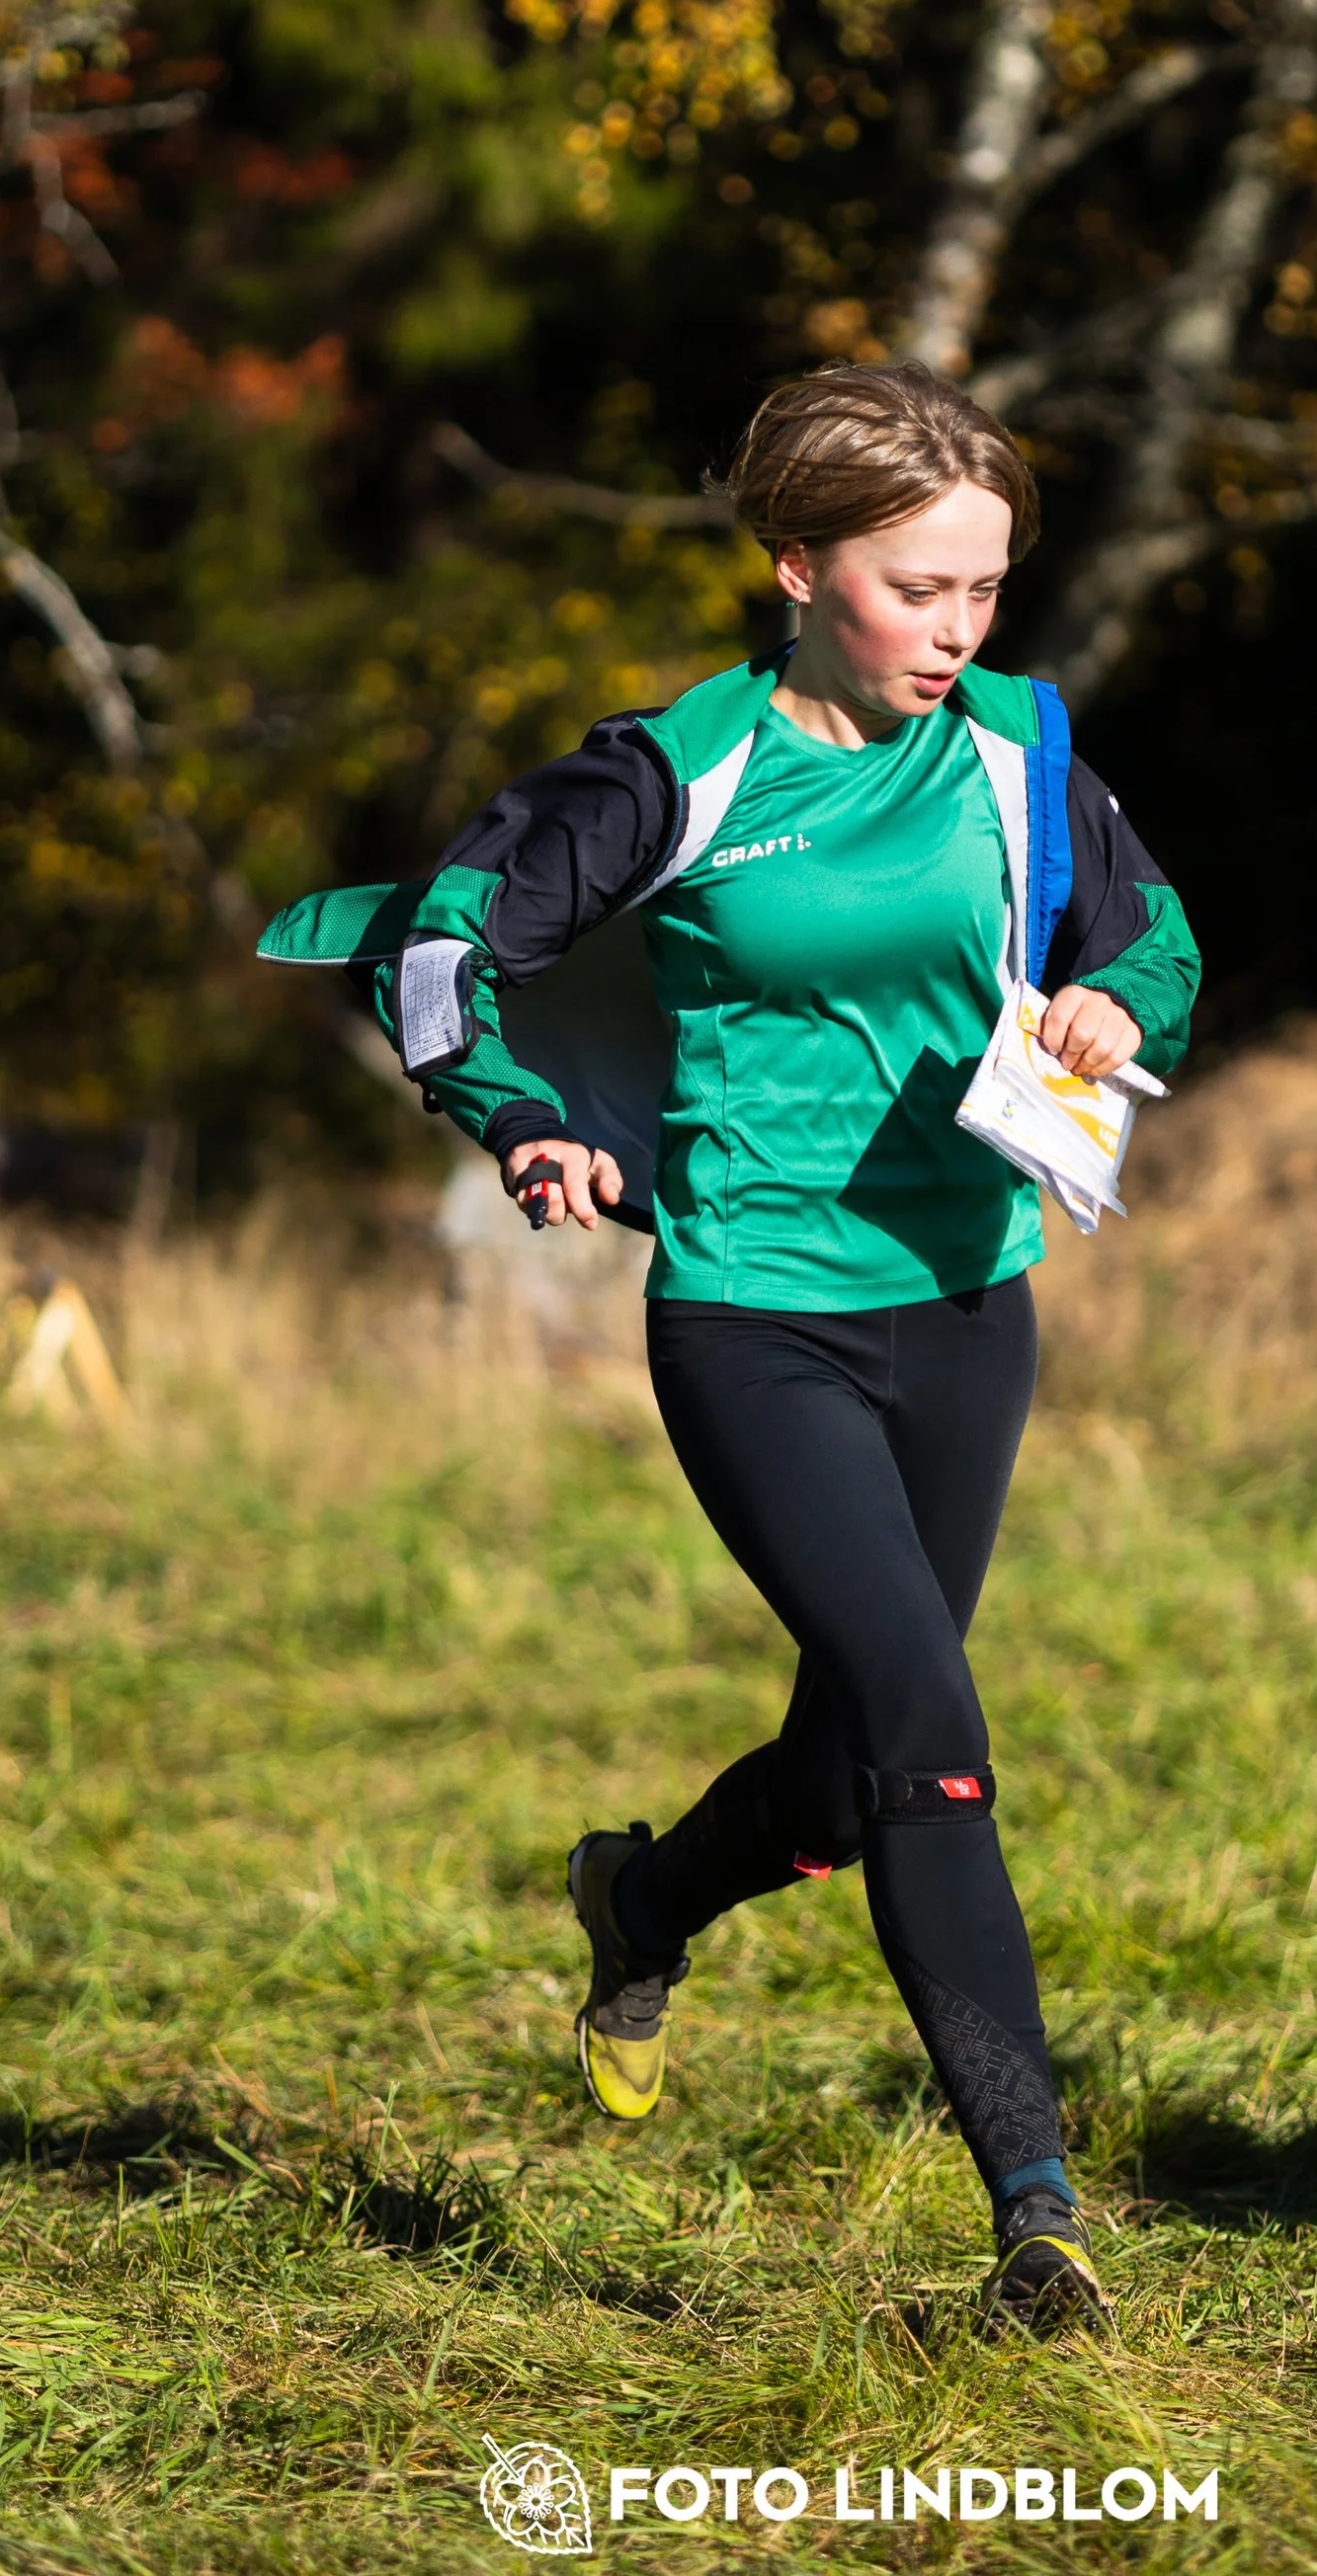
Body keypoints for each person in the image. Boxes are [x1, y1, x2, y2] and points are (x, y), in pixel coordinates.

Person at [258, 362, 1199, 2330]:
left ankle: (644, 1895)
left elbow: (1151, 927)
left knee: (851, 1757)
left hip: (966, 1306)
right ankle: (1038, 2217)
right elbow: (440, 937)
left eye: (983, 586)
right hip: (755, 1313)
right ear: (796, 568)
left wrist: (1111, 1001)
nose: (956, 628)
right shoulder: (674, 770)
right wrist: (519, 1115)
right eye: (915, 585)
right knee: (934, 1744)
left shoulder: (1020, 750)